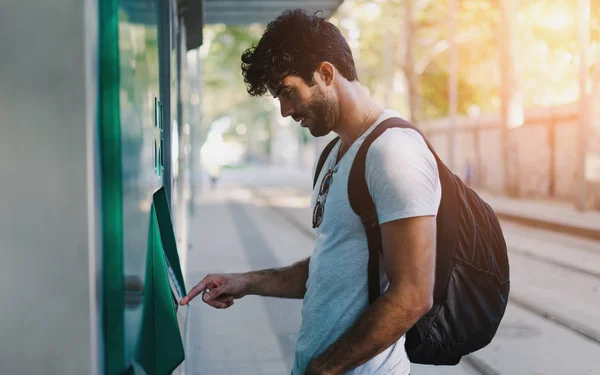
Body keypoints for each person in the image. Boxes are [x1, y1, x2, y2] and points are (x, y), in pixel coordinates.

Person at [180, 9, 440, 375]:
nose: (285, 111)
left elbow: (412, 295)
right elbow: (329, 269)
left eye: (288, 92)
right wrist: (246, 282)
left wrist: (323, 369)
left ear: (326, 73)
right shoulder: (335, 154)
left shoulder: (393, 152)